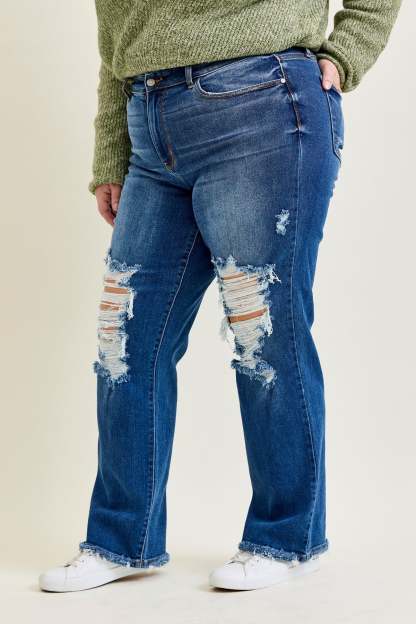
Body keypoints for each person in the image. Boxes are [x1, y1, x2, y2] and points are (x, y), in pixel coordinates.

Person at [39, 1, 401, 593]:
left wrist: (347, 53)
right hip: (149, 119)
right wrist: (111, 148)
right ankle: (121, 538)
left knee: (264, 332)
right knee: (124, 342)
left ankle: (286, 539)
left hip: (260, 104)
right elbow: (117, 23)